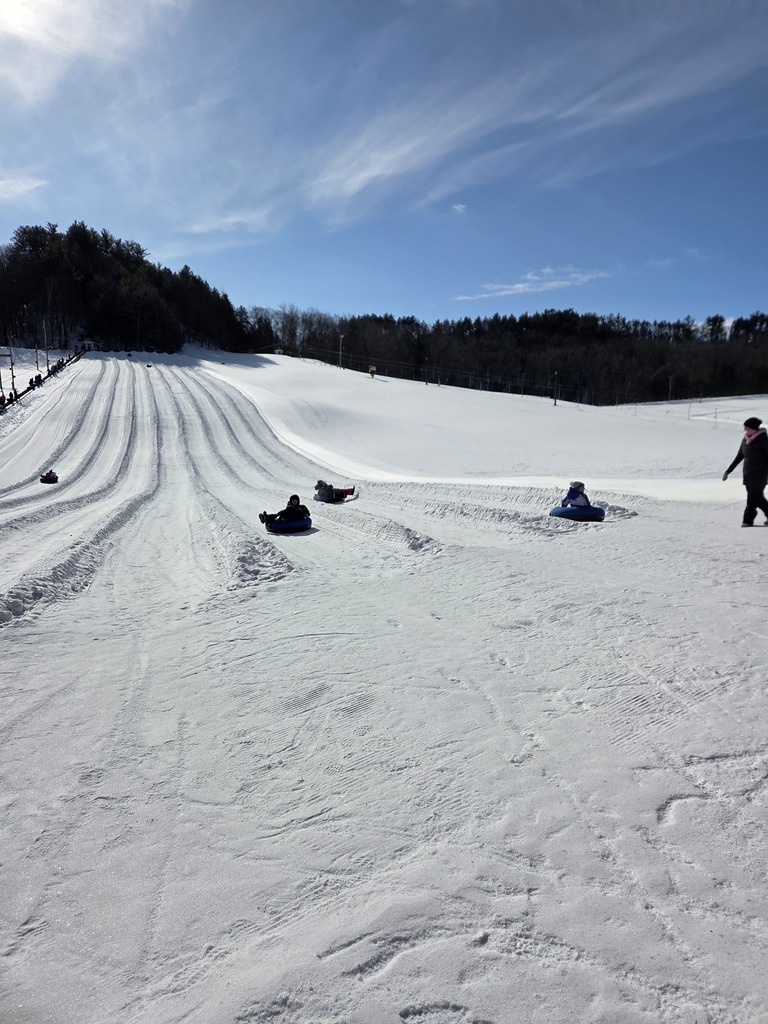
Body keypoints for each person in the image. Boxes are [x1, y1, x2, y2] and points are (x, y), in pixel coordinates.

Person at [722, 416, 768, 526]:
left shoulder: (764, 441)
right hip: (748, 475)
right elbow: (739, 456)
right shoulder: (745, 440)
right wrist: (728, 471)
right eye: (745, 427)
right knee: (758, 498)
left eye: (747, 428)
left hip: (760, 475)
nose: (745, 430)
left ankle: (747, 520)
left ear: (754, 428)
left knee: (752, 498)